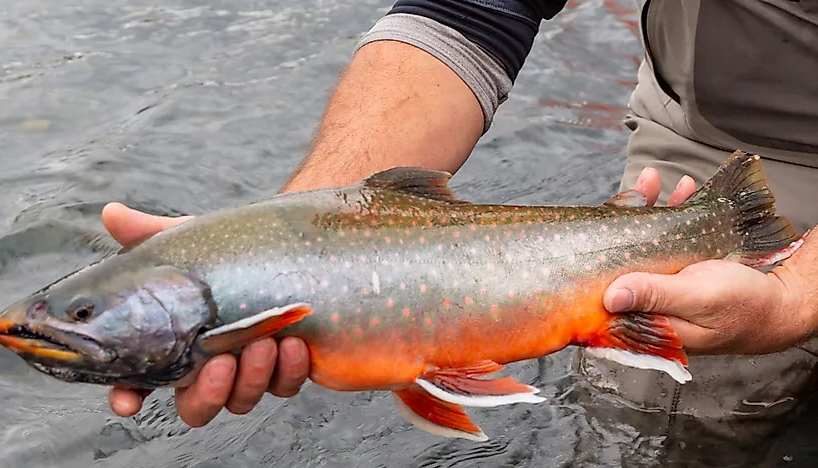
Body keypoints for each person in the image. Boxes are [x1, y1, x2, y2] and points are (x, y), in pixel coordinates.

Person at [101, 0, 818, 430]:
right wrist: (290, 236)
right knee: (672, 415)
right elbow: (466, 12)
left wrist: (792, 299)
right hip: (726, 125)